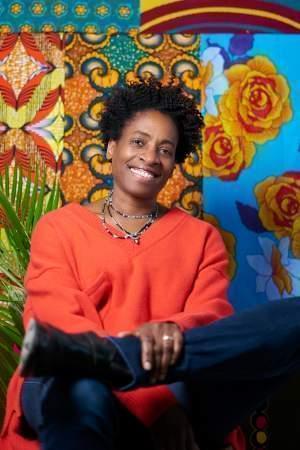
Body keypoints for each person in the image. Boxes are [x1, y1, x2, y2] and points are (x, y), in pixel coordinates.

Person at [1, 77, 248, 450]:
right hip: (71, 383)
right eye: (138, 142)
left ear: (174, 163)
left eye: (165, 150)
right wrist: (153, 403)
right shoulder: (60, 228)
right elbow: (59, 327)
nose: (150, 157)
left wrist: (164, 330)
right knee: (84, 390)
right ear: (111, 145)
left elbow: (210, 320)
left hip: (165, 384)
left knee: (278, 328)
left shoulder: (200, 239)